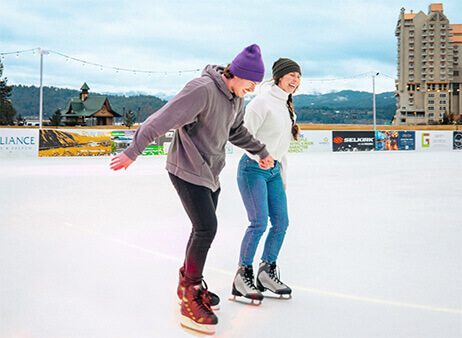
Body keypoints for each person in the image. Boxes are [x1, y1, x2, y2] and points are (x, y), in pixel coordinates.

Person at [110, 44, 274, 334]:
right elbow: (160, 120)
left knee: (201, 229)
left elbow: (235, 130)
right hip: (187, 169)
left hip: (211, 172)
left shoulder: (236, 99)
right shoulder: (202, 90)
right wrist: (132, 152)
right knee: (206, 228)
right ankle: (189, 293)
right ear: (237, 74)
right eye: (251, 83)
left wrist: (260, 151)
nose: (252, 89)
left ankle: (190, 284)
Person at [231, 58, 301, 303]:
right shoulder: (261, 103)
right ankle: (243, 274)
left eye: (298, 76)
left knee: (281, 222)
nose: (295, 80)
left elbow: (282, 151)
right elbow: (241, 136)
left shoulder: (286, 106)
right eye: (291, 75)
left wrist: (281, 178)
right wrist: (258, 156)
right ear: (279, 77)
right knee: (258, 223)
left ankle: (266, 273)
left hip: (273, 173)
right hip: (252, 169)